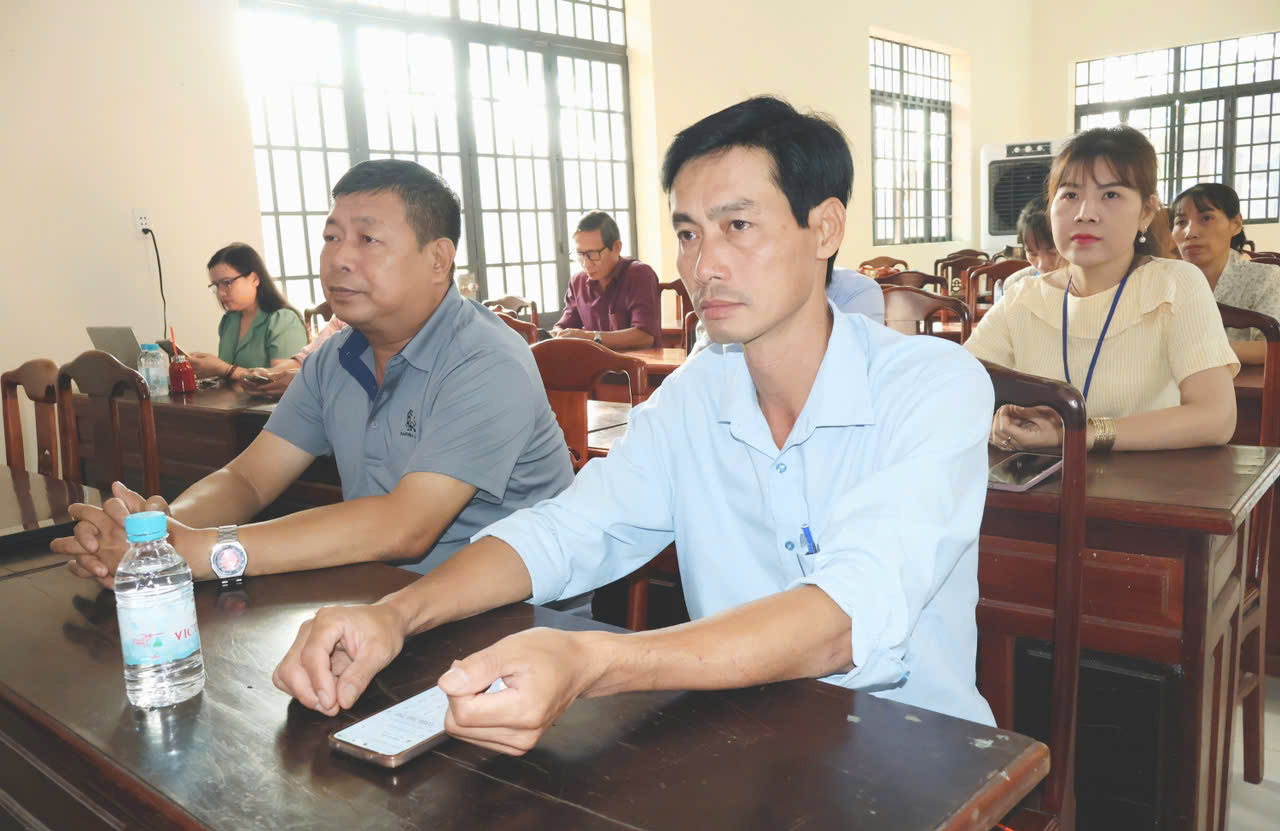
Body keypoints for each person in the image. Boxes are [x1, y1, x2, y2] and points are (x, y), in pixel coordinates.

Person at [272, 96, 997, 751]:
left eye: (737, 225)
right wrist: (397, 616)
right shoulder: (696, 395)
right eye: (687, 232)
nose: (703, 265)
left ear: (825, 227)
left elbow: (844, 619)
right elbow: (566, 530)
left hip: (915, 759)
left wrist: (593, 661)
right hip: (744, 744)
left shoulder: (932, 386)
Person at [52, 159, 573, 586]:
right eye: (330, 237)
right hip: (379, 597)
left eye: (367, 240)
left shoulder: (485, 359)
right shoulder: (335, 358)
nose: (338, 258)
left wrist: (200, 551)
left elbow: (405, 526)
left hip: (516, 620)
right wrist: (160, 535)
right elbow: (247, 479)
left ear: (439, 260)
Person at [964, 126, 1238, 453]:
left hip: (1152, 479)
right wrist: (996, 420)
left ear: (1146, 212)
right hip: (1047, 479)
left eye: (1110, 195)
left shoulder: (1175, 284)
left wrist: (1079, 435)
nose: (1085, 214)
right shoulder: (1023, 297)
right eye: (1070, 195)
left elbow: (1216, 417)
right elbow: (954, 387)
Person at [1171, 182, 1280, 366]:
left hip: (1246, 383)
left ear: (1236, 224)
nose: (1190, 232)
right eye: (1181, 222)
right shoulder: (1164, 282)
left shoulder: (1267, 277)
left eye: (1206, 218)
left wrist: (1201, 350)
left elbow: (1273, 348)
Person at [688, 266, 884, 356]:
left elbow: (846, 374)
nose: (703, 269)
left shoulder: (855, 292)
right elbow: (697, 377)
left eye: (741, 226)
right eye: (687, 235)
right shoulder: (728, 298)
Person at [187, 243, 309, 381]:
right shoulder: (230, 320)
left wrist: (223, 369)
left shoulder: (283, 320)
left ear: (254, 279)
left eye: (227, 282)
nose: (220, 293)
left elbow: (281, 380)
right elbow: (227, 375)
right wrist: (209, 367)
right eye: (216, 285)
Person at [551, 211, 661, 350]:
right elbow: (563, 326)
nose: (586, 263)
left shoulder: (639, 274)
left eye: (592, 254)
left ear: (616, 248)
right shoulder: (578, 282)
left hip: (637, 362)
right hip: (595, 363)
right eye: (580, 254)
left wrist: (590, 337)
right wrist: (558, 333)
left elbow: (645, 336)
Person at [246, 315, 349, 399]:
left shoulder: (283, 317)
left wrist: (306, 382)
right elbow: (305, 359)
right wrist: (268, 374)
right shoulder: (340, 318)